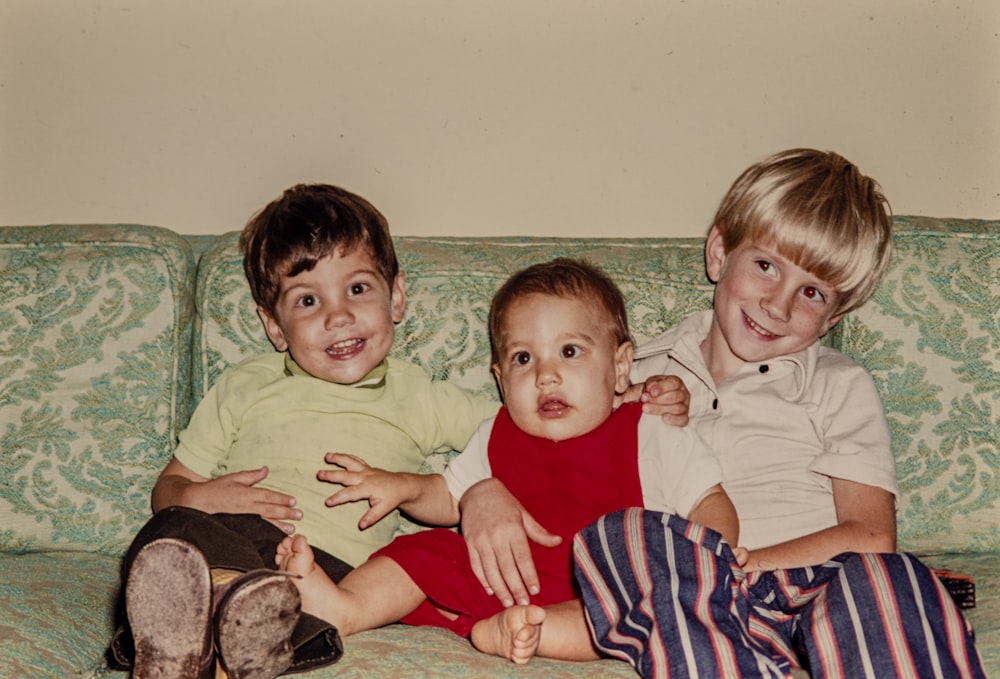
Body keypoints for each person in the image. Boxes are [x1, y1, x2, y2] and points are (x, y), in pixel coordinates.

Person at [462, 149, 987, 677]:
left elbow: (872, 535)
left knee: (886, 579)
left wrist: (743, 563)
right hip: (696, 600)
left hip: (815, 580)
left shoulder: (837, 383)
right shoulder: (622, 370)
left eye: (811, 292)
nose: (777, 307)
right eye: (765, 266)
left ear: (833, 317)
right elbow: (527, 444)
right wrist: (479, 491)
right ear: (718, 254)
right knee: (627, 536)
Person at [108, 184, 499, 679]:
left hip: (330, 571)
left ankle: (220, 637)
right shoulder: (245, 385)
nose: (338, 316)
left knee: (357, 586)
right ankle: (217, 627)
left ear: (396, 296)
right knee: (169, 531)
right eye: (308, 300)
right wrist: (206, 497)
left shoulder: (419, 394)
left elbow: (513, 433)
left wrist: (616, 398)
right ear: (274, 326)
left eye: (358, 289)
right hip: (227, 542)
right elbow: (168, 489)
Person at [274, 257, 739, 665]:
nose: (546, 375)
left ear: (621, 368)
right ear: (500, 378)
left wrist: (709, 559)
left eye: (569, 352)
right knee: (425, 552)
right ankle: (346, 607)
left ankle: (525, 633)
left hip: (598, 587)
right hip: (496, 578)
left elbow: (707, 500)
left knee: (635, 609)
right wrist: (403, 487)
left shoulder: (649, 430)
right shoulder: (497, 433)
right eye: (522, 358)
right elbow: (451, 498)